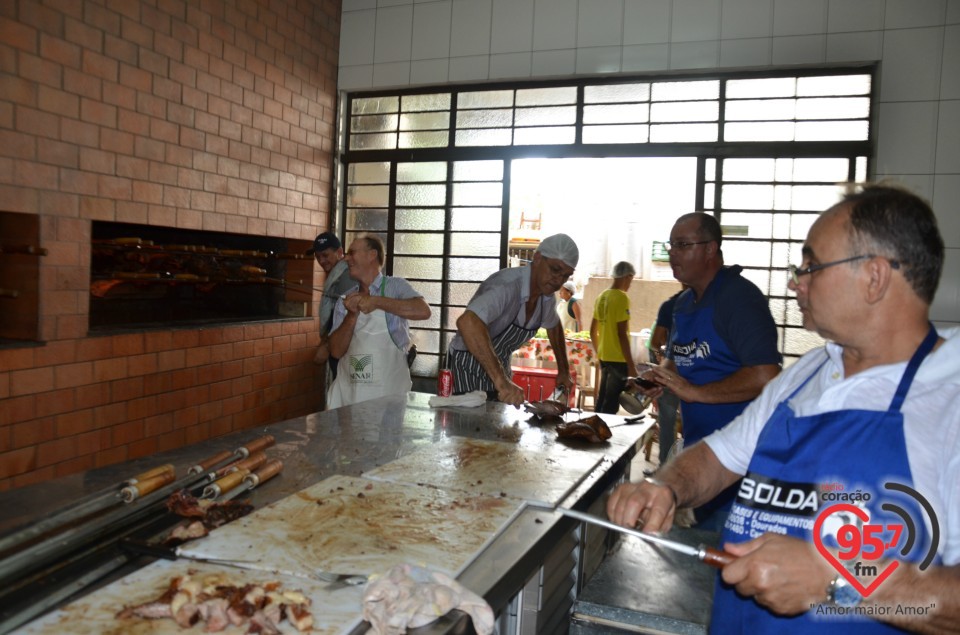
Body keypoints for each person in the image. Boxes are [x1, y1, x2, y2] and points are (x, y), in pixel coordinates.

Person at [608, 185, 960, 633]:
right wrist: (666, 486)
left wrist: (840, 576)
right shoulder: (809, 371)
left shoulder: (949, 395)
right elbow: (719, 456)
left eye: (811, 266)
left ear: (875, 277)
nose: (796, 281)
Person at [633, 212, 781, 529]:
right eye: (671, 245)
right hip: (700, 453)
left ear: (711, 249)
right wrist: (661, 376)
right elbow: (675, 356)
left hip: (742, 462)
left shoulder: (738, 298)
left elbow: (766, 375)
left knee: (727, 552)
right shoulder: (684, 303)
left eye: (683, 245)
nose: (673, 253)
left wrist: (696, 392)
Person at [449, 233, 579, 406]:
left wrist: (563, 370)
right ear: (538, 258)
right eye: (555, 270)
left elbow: (554, 325)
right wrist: (502, 382)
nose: (559, 281)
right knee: (465, 429)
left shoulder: (546, 297)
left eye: (565, 276)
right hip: (466, 367)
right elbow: (468, 322)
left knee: (494, 429)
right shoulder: (507, 285)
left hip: (498, 368)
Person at [327, 234, 431, 408]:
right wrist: (351, 315)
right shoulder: (344, 300)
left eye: (352, 253)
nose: (346, 258)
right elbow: (336, 351)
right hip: (348, 401)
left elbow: (423, 310)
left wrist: (376, 301)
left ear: (372, 255)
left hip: (388, 402)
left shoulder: (395, 287)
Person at [590, 261, 639, 414]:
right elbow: (621, 333)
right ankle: (603, 435)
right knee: (611, 403)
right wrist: (631, 366)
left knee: (602, 399)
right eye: (631, 280)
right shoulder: (622, 298)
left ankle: (593, 429)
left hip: (604, 356)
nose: (630, 285)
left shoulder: (602, 297)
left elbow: (592, 330)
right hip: (618, 359)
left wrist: (600, 352)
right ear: (626, 277)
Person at [309, 232, 358, 382]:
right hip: (341, 347)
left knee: (345, 394)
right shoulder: (336, 274)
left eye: (325, 255)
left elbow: (342, 316)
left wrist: (325, 345)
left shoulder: (347, 276)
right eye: (317, 257)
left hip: (347, 348)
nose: (321, 261)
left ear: (340, 252)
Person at [647, 287, 684, 465]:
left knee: (667, 423)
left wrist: (664, 354)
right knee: (690, 426)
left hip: (671, 374)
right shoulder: (710, 303)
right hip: (694, 377)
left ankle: (665, 468)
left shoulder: (670, 305)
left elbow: (655, 341)